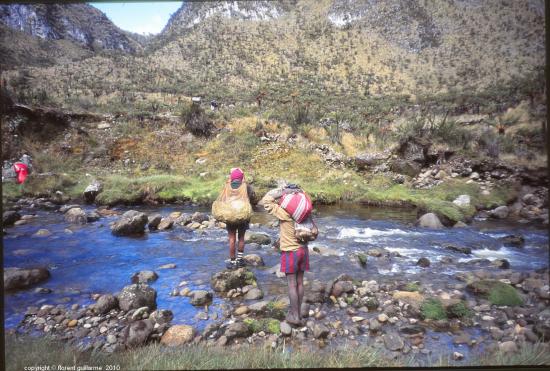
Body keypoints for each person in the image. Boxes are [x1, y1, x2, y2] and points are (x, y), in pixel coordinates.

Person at [260, 184, 309, 326]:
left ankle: (294, 316)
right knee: (300, 283)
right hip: (303, 250)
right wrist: (300, 191)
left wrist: (282, 192)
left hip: (290, 252)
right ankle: (298, 313)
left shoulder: (284, 212)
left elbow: (266, 200)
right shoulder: (305, 211)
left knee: (291, 284)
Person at [224, 168, 256, 270]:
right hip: (243, 215)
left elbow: (223, 199)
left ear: (231, 177)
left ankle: (232, 261)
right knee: (241, 237)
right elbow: (253, 198)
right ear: (242, 177)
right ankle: (240, 259)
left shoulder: (227, 187)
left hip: (230, 215)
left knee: (232, 239)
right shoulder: (247, 187)